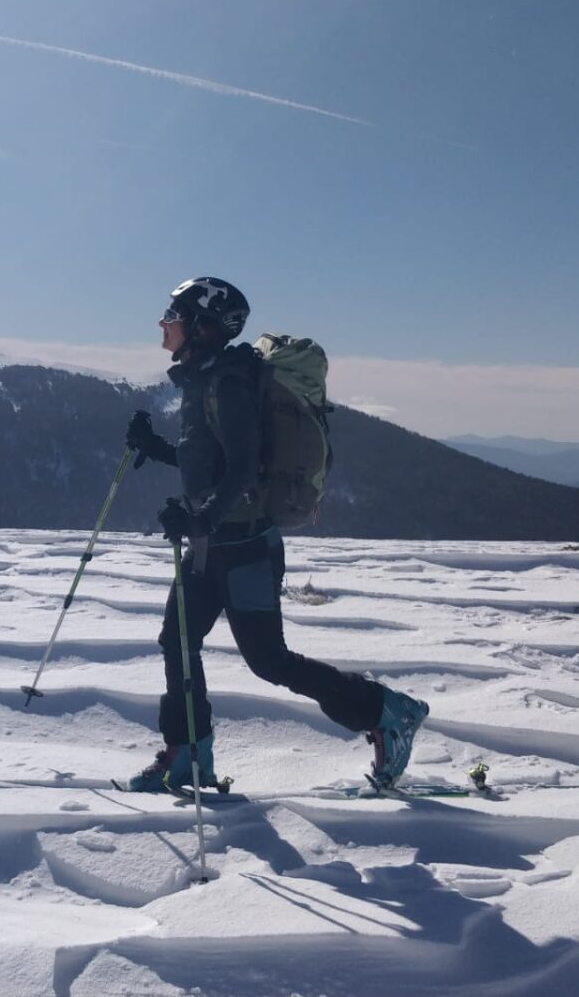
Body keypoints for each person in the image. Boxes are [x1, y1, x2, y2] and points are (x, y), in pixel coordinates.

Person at [121, 276, 431, 792]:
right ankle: (187, 756)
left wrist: (203, 518)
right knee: (177, 641)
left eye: (172, 315)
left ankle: (387, 711)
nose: (163, 323)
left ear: (201, 326)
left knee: (269, 662)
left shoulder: (230, 382)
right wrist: (155, 448)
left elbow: (245, 468)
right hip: (212, 544)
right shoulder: (204, 377)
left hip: (244, 550)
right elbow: (211, 463)